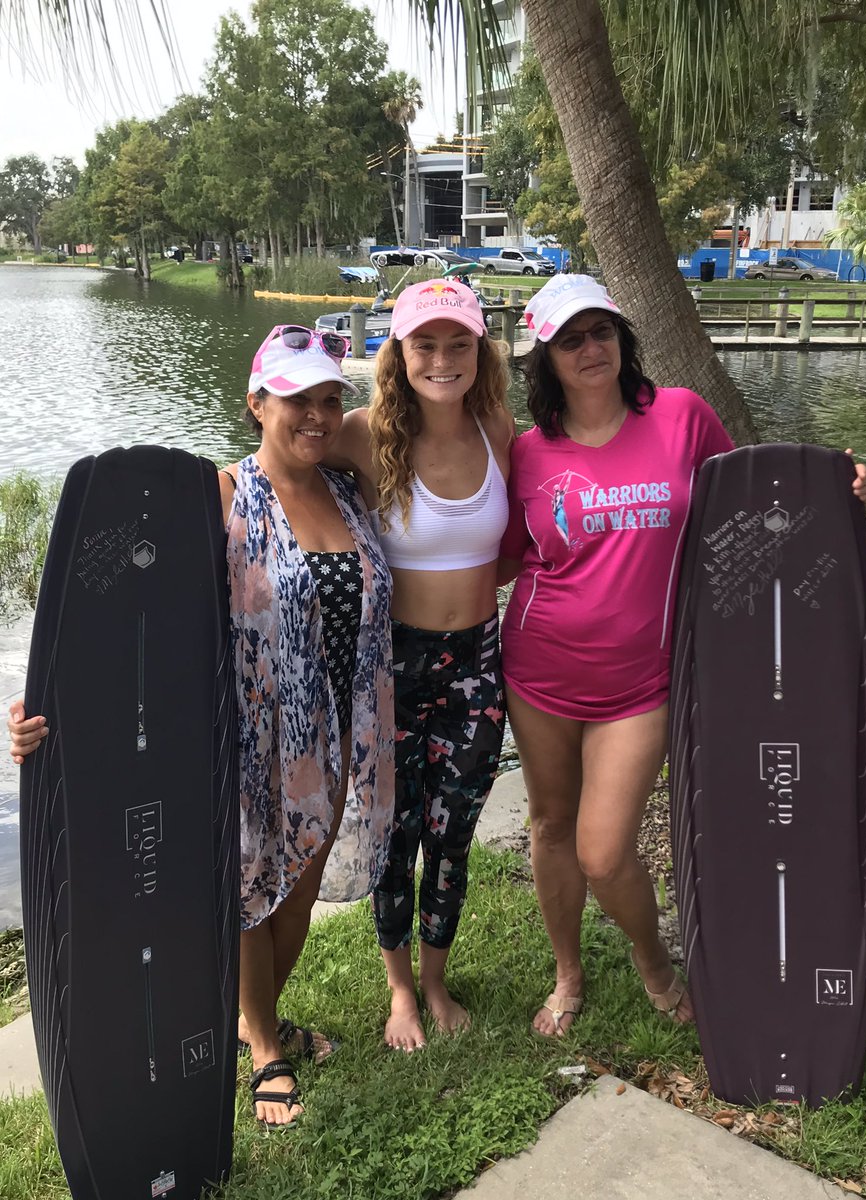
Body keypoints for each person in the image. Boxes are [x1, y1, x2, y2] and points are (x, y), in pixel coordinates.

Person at [9, 325, 396, 1129]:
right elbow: (126, 619)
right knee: (254, 897)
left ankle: (257, 1019)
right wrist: (47, 703)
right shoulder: (219, 496)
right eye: (296, 399)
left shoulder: (349, 491)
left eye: (330, 399)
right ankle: (263, 1049)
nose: (317, 415)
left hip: (334, 736)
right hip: (250, 741)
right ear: (256, 403)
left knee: (299, 892)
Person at [497, 274, 866, 1037]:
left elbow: (758, 500)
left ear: (624, 341)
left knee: (603, 851)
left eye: (602, 332)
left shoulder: (679, 417)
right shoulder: (527, 451)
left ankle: (653, 960)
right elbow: (501, 555)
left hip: (644, 679)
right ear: (546, 361)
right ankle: (568, 972)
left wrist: (836, 489)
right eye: (571, 340)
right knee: (549, 825)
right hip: (539, 670)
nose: (591, 349)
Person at [327, 279, 515, 1052]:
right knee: (394, 834)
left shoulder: (500, 430)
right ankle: (400, 989)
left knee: (453, 832)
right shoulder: (359, 435)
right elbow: (263, 465)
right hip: (393, 668)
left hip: (479, 663)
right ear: (398, 355)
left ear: (480, 351)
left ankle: (437, 980)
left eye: (458, 343)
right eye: (424, 344)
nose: (442, 359)